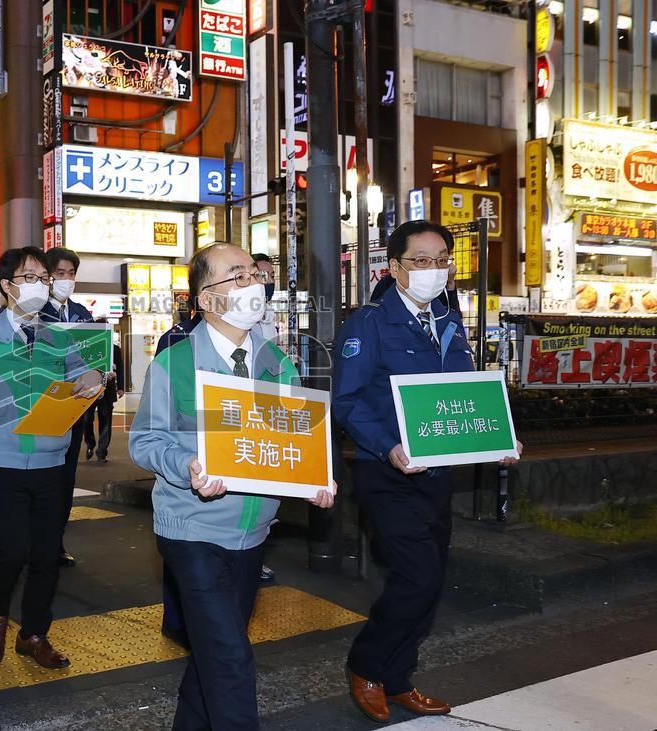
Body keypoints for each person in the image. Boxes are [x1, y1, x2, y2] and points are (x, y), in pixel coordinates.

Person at [129, 243, 334, 729]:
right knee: (230, 658)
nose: (252, 284)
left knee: (213, 653)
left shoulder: (277, 362)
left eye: (254, 275)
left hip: (253, 532)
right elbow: (145, 441)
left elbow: (290, 439)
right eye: (237, 276)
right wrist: (186, 464)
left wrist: (313, 478)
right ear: (206, 298)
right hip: (191, 530)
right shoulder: (173, 364)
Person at [333, 221, 521, 723]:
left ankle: (398, 678)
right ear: (394, 267)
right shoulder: (369, 324)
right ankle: (367, 666)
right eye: (421, 260)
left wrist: (496, 438)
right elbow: (347, 402)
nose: (433, 270)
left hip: (437, 475)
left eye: (442, 260)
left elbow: (463, 397)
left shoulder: (449, 319)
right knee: (417, 577)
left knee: (431, 581)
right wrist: (388, 446)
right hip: (388, 474)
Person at [0, 246, 103, 670]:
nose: (40, 286)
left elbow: (83, 374)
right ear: (6, 286)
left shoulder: (58, 338)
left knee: (47, 555)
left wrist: (92, 377)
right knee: (11, 550)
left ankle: (34, 634)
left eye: (43, 279)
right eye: (29, 277)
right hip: (1, 463)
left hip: (52, 461)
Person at [40, 247, 94, 568]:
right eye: (60, 273)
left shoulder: (81, 314)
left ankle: (55, 540)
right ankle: (38, 540)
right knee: (44, 478)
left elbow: (95, 354)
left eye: (71, 274)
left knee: (66, 479)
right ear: (47, 277)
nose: (66, 280)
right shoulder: (35, 312)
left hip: (75, 409)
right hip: (42, 407)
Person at [83, 336, 124, 462]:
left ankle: (102, 451)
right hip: (89, 390)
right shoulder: (88, 347)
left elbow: (120, 368)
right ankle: (90, 443)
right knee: (86, 419)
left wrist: (121, 387)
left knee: (105, 420)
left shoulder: (114, 349)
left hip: (107, 390)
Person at [251, 253, 280, 344]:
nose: (270, 281)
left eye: (272, 276)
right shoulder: (239, 317)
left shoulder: (269, 314)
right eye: (263, 276)